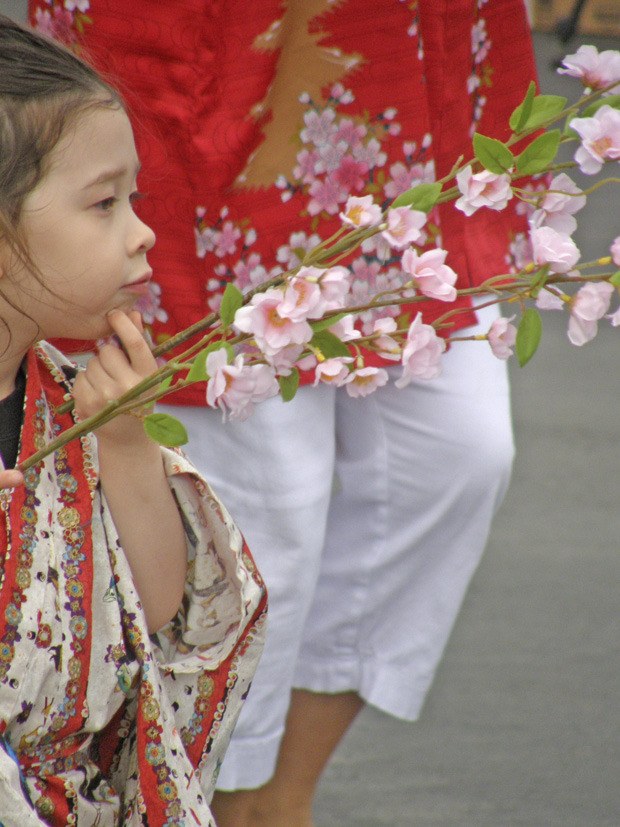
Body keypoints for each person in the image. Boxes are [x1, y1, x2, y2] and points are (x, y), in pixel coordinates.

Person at [27, 1, 538, 824]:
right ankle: (221, 794)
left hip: (398, 59)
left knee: (461, 455)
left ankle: (279, 789)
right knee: (265, 508)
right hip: (216, 36)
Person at [0, 15, 266, 826]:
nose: (143, 232)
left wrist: (125, 439)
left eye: (134, 198)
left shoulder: (69, 401)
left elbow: (151, 632)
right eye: (104, 203)